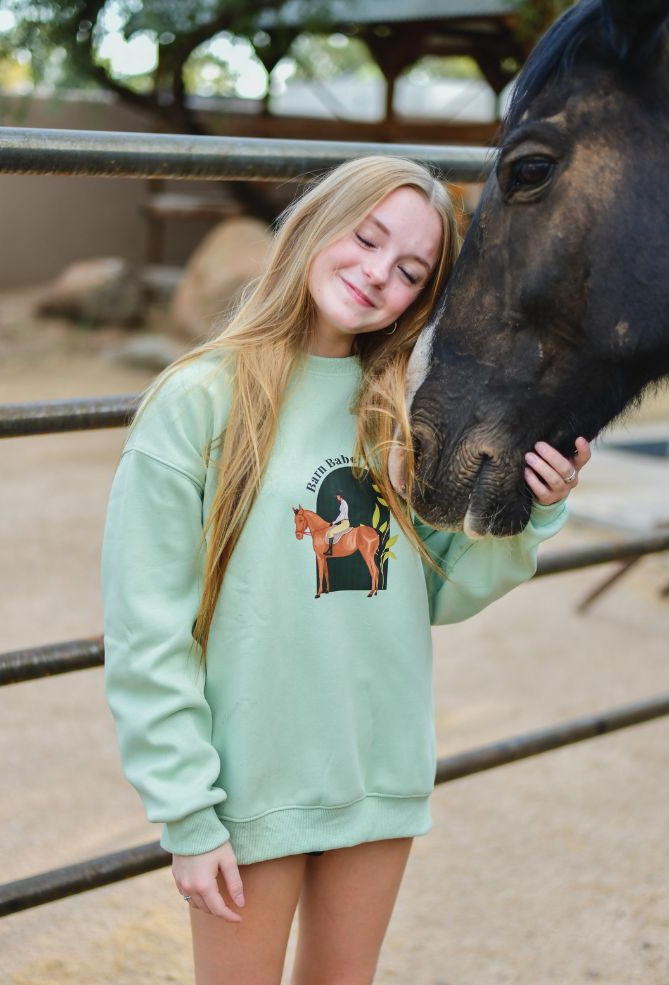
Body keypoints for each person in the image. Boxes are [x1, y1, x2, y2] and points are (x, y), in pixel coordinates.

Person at [100, 155, 591, 985]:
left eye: (409, 272)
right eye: (366, 239)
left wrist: (528, 511)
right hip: (251, 780)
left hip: (377, 769)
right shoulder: (197, 401)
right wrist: (187, 812)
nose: (377, 275)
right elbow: (148, 630)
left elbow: (433, 590)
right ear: (315, 224)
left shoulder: (401, 410)